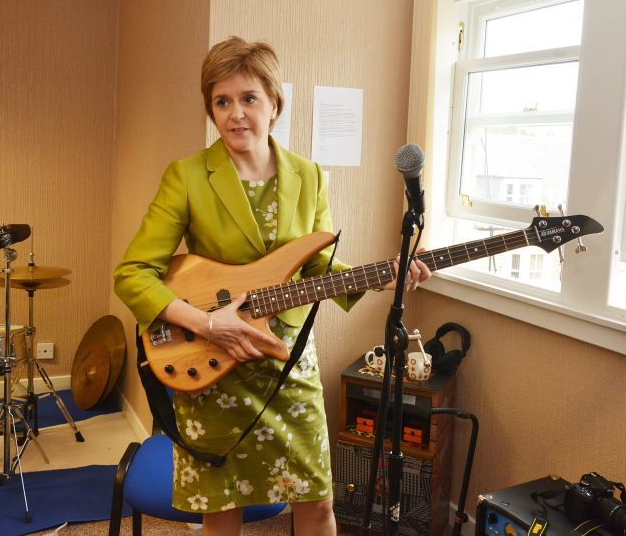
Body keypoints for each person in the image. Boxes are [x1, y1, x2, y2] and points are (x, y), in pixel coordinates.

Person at [114, 36, 430, 536]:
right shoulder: (188, 176)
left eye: (248, 99)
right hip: (212, 363)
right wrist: (206, 323)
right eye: (222, 101)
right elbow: (132, 274)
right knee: (221, 511)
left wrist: (381, 279)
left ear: (274, 103)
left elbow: (318, 263)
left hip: (288, 359)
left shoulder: (309, 176)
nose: (236, 114)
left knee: (317, 503)